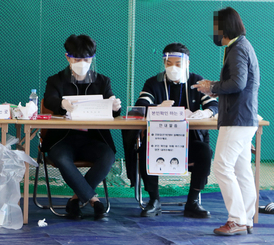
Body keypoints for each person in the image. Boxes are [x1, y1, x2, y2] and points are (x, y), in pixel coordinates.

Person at [130, 43, 218, 218]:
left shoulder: (196, 81)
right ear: (164, 64)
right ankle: (154, 200)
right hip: (159, 139)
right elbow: (140, 106)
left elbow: (214, 104)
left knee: (205, 152)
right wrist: (157, 107)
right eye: (169, 63)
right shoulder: (153, 82)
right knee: (144, 150)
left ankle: (192, 202)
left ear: (187, 63)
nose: (173, 67)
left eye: (178, 63)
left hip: (189, 141)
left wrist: (206, 112)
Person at [193, 7, 259, 236]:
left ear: (224, 27)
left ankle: (237, 219)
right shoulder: (241, 46)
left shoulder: (238, 49)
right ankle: (246, 218)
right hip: (243, 118)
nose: (214, 33)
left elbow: (238, 83)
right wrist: (213, 88)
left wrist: (212, 87)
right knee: (241, 169)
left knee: (221, 166)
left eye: (216, 28)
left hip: (237, 119)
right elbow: (236, 83)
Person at [42, 34, 122, 220]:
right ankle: (94, 200)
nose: (82, 63)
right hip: (63, 139)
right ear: (67, 57)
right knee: (60, 157)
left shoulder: (102, 81)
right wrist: (62, 104)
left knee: (108, 156)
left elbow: (112, 109)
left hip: (93, 139)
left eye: (86, 59)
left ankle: (76, 200)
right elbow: (51, 100)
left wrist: (115, 106)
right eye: (77, 59)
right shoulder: (56, 80)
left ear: (92, 59)